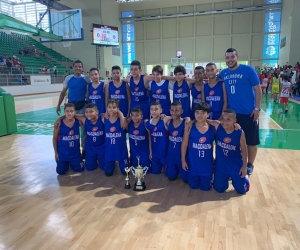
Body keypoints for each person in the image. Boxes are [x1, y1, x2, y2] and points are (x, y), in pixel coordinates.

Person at [218, 48, 262, 175]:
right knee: (234, 143)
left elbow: (258, 89)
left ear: (237, 57)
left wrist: (257, 108)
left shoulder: (248, 70)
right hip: (232, 116)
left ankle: (250, 164)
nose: (230, 60)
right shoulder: (224, 73)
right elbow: (210, 81)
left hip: (249, 113)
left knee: (251, 142)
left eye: (232, 57)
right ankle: (236, 163)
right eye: (227, 58)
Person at [56, 60, 90, 158]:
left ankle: (84, 150)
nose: (78, 68)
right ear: (73, 68)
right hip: (71, 107)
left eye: (80, 66)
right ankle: (74, 150)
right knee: (72, 129)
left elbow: (91, 90)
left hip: (82, 105)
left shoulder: (86, 79)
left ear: (82, 68)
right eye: (76, 66)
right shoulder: (68, 78)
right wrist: (58, 105)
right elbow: (63, 93)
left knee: (84, 130)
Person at [213, 109, 249, 194]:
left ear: (234, 121)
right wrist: (189, 121)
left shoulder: (239, 132)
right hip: (221, 166)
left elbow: (244, 149)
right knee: (219, 189)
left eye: (228, 119)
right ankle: (225, 179)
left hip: (235, 165)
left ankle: (245, 179)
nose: (224, 122)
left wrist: (244, 167)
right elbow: (203, 119)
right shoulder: (218, 126)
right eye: (223, 118)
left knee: (242, 191)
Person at [181, 102, 215, 191]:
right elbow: (184, 144)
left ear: (208, 114)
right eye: (197, 112)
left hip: (207, 166)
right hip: (193, 165)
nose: (200, 115)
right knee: (193, 186)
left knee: (206, 188)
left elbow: (223, 124)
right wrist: (183, 160)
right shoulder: (190, 127)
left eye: (203, 113)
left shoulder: (213, 127)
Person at [52, 103, 84, 175]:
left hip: (75, 154)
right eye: (67, 111)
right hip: (63, 154)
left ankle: (72, 163)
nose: (69, 113)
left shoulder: (78, 122)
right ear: (64, 112)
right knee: (60, 172)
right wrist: (56, 153)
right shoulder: (58, 124)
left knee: (80, 170)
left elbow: (85, 117)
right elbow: (54, 138)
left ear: (75, 112)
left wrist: (61, 117)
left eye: (72, 111)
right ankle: (66, 164)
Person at [165, 101, 189, 182]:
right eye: (172, 110)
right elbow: (163, 119)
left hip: (182, 156)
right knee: (171, 178)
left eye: (177, 110)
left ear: (182, 111)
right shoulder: (168, 122)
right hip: (171, 156)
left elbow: (189, 120)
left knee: (186, 180)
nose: (174, 112)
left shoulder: (185, 122)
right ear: (170, 111)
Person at [104, 99, 128, 176]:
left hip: (121, 151)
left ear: (118, 109)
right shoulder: (104, 119)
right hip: (109, 151)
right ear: (107, 108)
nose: (112, 109)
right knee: (108, 173)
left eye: (114, 107)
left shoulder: (123, 121)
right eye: (109, 107)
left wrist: (121, 117)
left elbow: (126, 125)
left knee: (125, 172)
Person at [145, 101, 170, 174]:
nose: (154, 111)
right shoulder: (147, 124)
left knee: (168, 175)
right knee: (155, 173)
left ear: (161, 110)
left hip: (165, 154)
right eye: (152, 109)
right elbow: (150, 138)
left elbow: (175, 118)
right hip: (155, 154)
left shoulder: (165, 120)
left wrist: (167, 116)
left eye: (156, 109)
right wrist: (150, 152)